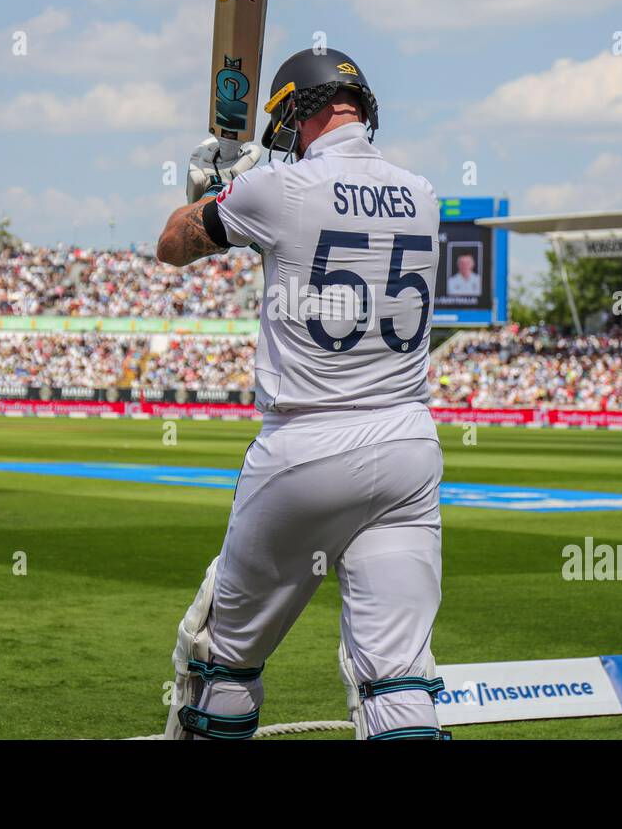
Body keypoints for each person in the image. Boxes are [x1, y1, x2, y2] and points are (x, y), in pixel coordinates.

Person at [155, 48, 446, 740]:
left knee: (220, 659)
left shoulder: (275, 190)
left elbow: (174, 245)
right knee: (398, 675)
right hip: (409, 445)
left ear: (294, 114)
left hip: (306, 447)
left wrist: (211, 189)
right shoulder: (425, 193)